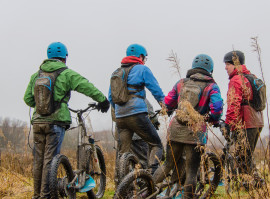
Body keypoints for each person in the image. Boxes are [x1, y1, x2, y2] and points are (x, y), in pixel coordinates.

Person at [23, 42, 110, 199]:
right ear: (64, 57)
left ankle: (37, 195)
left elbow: (28, 99)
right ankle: (46, 196)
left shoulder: (36, 75)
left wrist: (43, 104)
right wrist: (103, 100)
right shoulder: (66, 73)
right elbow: (85, 85)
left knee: (39, 161)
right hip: (55, 122)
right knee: (50, 160)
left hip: (37, 122)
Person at [153, 54, 223, 198]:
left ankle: (148, 190)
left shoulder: (181, 83)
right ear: (210, 70)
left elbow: (167, 103)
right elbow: (217, 107)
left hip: (175, 129)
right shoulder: (211, 86)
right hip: (195, 132)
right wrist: (213, 119)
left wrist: (169, 109)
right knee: (191, 171)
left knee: (167, 165)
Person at [108, 43, 165, 175]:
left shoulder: (116, 72)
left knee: (122, 154)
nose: (144, 61)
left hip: (120, 118)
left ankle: (121, 186)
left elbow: (111, 97)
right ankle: (150, 178)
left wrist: (119, 111)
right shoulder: (142, 69)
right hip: (137, 115)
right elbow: (156, 91)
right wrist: (165, 106)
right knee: (156, 145)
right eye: (144, 58)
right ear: (140, 56)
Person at [222, 50, 264, 185]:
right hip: (257, 121)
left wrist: (228, 125)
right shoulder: (251, 77)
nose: (225, 67)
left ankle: (251, 185)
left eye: (227, 64)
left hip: (246, 123)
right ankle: (256, 183)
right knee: (247, 156)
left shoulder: (236, 80)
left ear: (235, 64)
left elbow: (233, 104)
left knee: (242, 158)